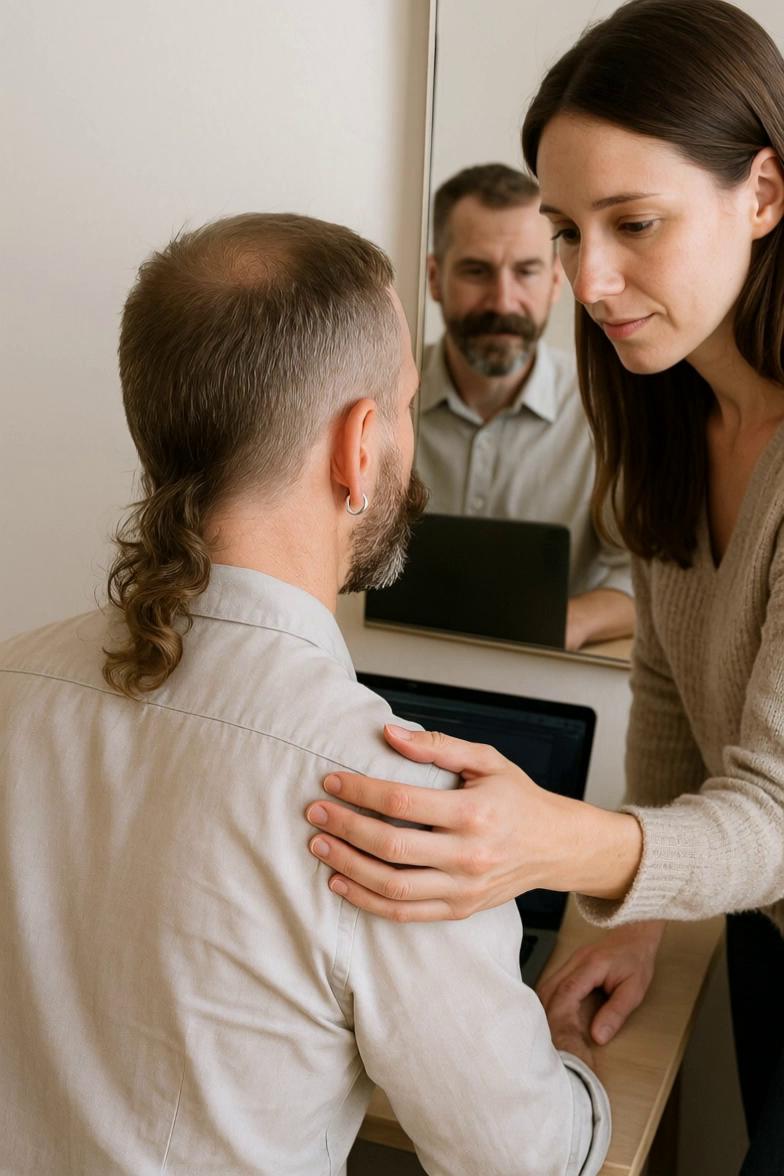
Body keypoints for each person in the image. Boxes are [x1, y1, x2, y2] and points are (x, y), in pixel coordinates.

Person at [0, 213, 610, 1175]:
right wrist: (563, 1060)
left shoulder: (11, 685)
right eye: (406, 404)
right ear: (359, 446)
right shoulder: (390, 808)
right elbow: (524, 1158)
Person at [305, 2, 784, 1170]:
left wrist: (546, 845)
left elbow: (777, 815)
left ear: (764, 194)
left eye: (635, 223)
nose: (591, 278)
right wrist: (655, 916)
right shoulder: (672, 409)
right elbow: (668, 701)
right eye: (570, 230)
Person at [419, 163, 634, 650]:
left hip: (543, 690)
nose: (503, 300)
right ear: (435, 278)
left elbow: (646, 582)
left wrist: (562, 624)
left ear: (557, 281)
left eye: (526, 271)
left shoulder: (610, 413)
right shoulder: (375, 398)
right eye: (476, 271)